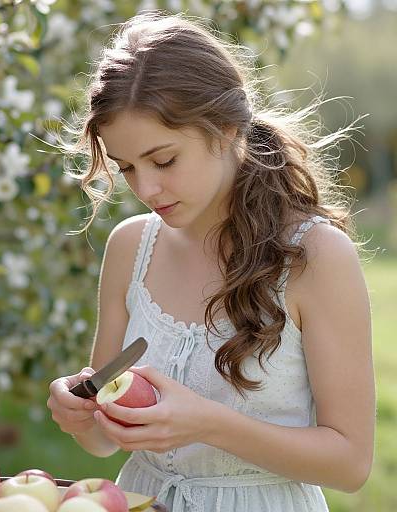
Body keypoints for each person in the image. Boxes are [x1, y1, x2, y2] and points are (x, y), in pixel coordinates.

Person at [46, 10, 375, 512]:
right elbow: (104, 440)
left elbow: (350, 464)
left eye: (164, 160)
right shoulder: (131, 247)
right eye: (126, 167)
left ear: (224, 130)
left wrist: (208, 424)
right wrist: (80, 414)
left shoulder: (316, 256)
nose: (145, 189)